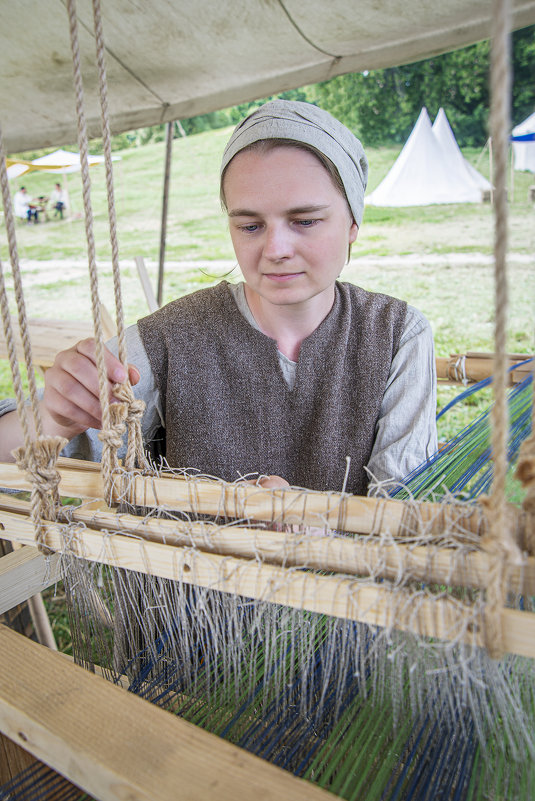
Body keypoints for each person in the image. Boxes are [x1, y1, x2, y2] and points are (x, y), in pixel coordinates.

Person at [0, 100, 437, 494]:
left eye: (304, 221)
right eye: (249, 226)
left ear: (353, 223)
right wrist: (56, 415)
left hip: (350, 584)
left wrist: (319, 525)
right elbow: (23, 454)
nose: (276, 249)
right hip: (189, 586)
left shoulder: (398, 335)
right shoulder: (173, 337)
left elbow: (404, 510)